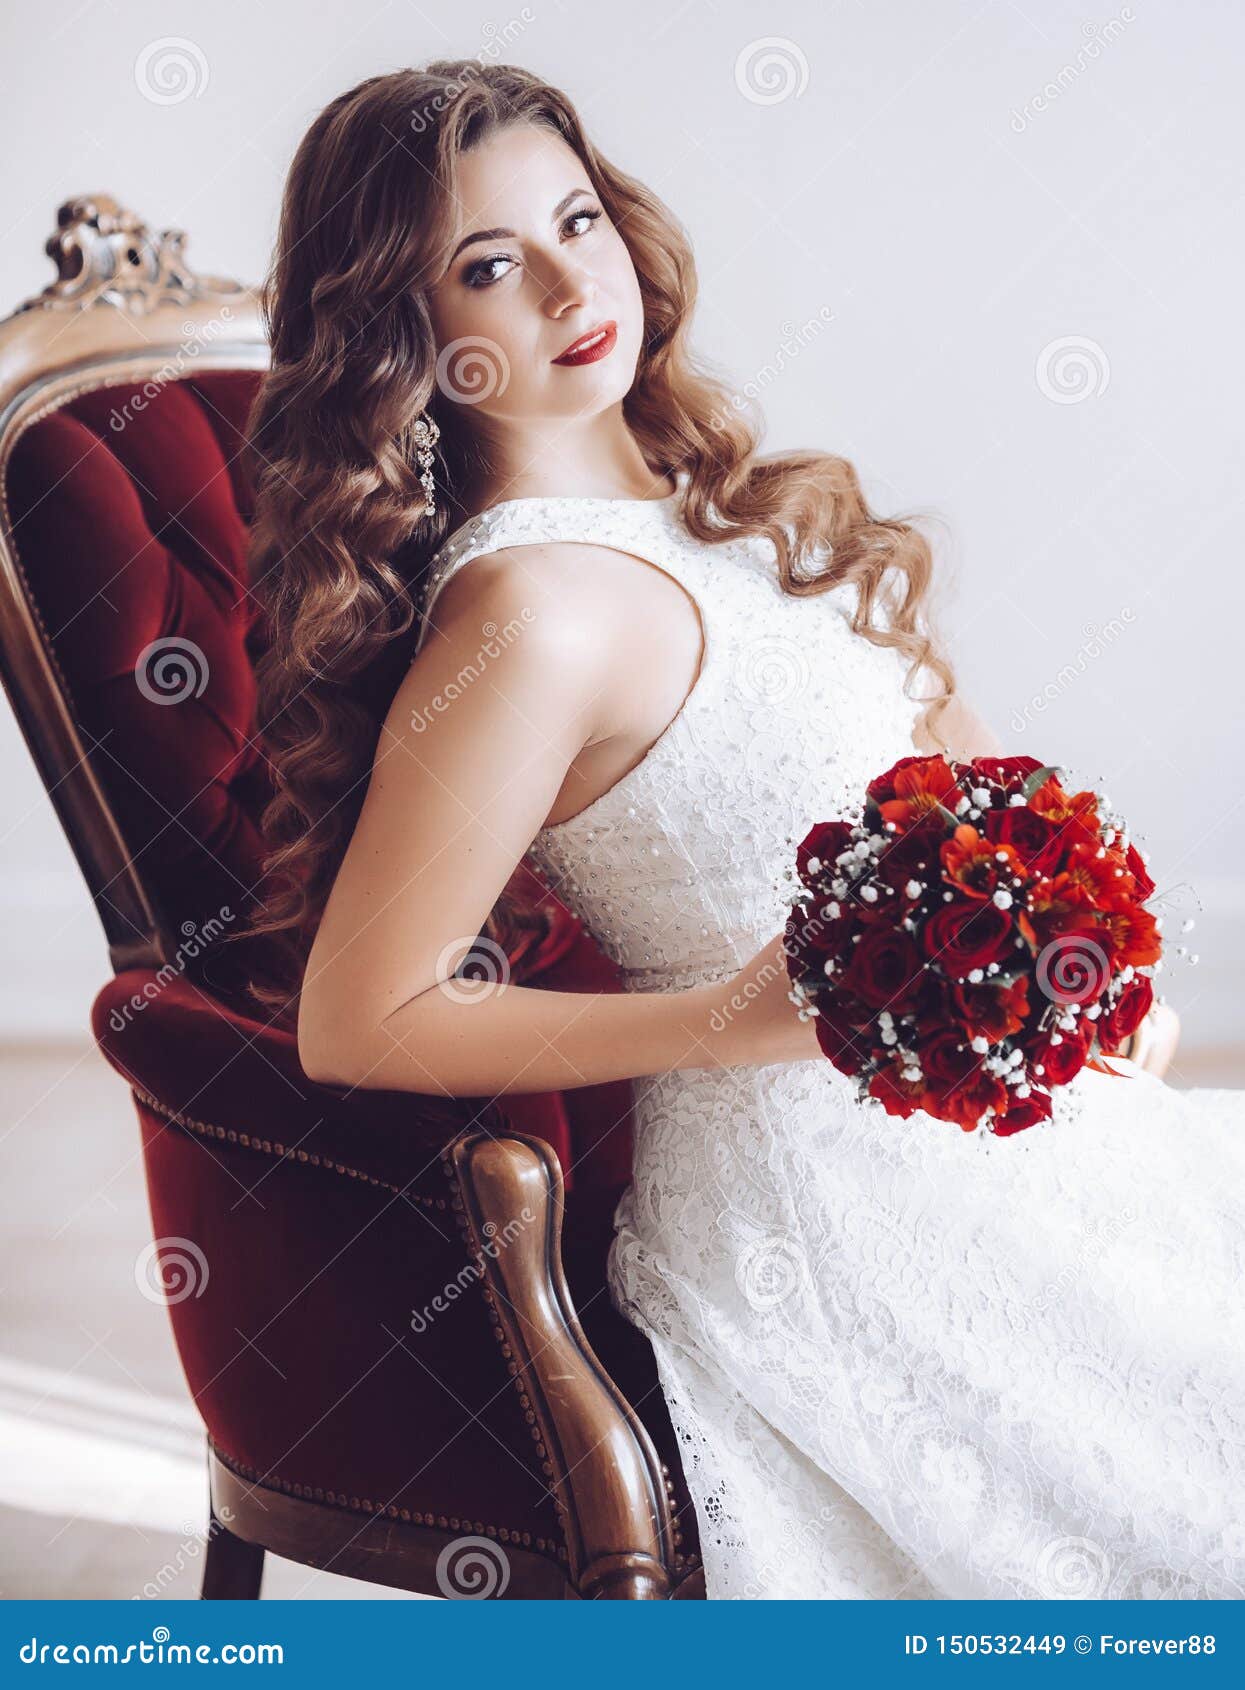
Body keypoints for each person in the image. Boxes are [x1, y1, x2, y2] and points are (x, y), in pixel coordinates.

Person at [243, 61, 1245, 1599]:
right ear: (416, 340)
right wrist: (729, 1018)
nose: (576, 283)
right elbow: (360, 1012)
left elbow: (976, 791)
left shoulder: (732, 518)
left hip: (999, 1135)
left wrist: (1089, 976)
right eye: (490, 267)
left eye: (577, 219)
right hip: (833, 1219)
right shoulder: (530, 614)